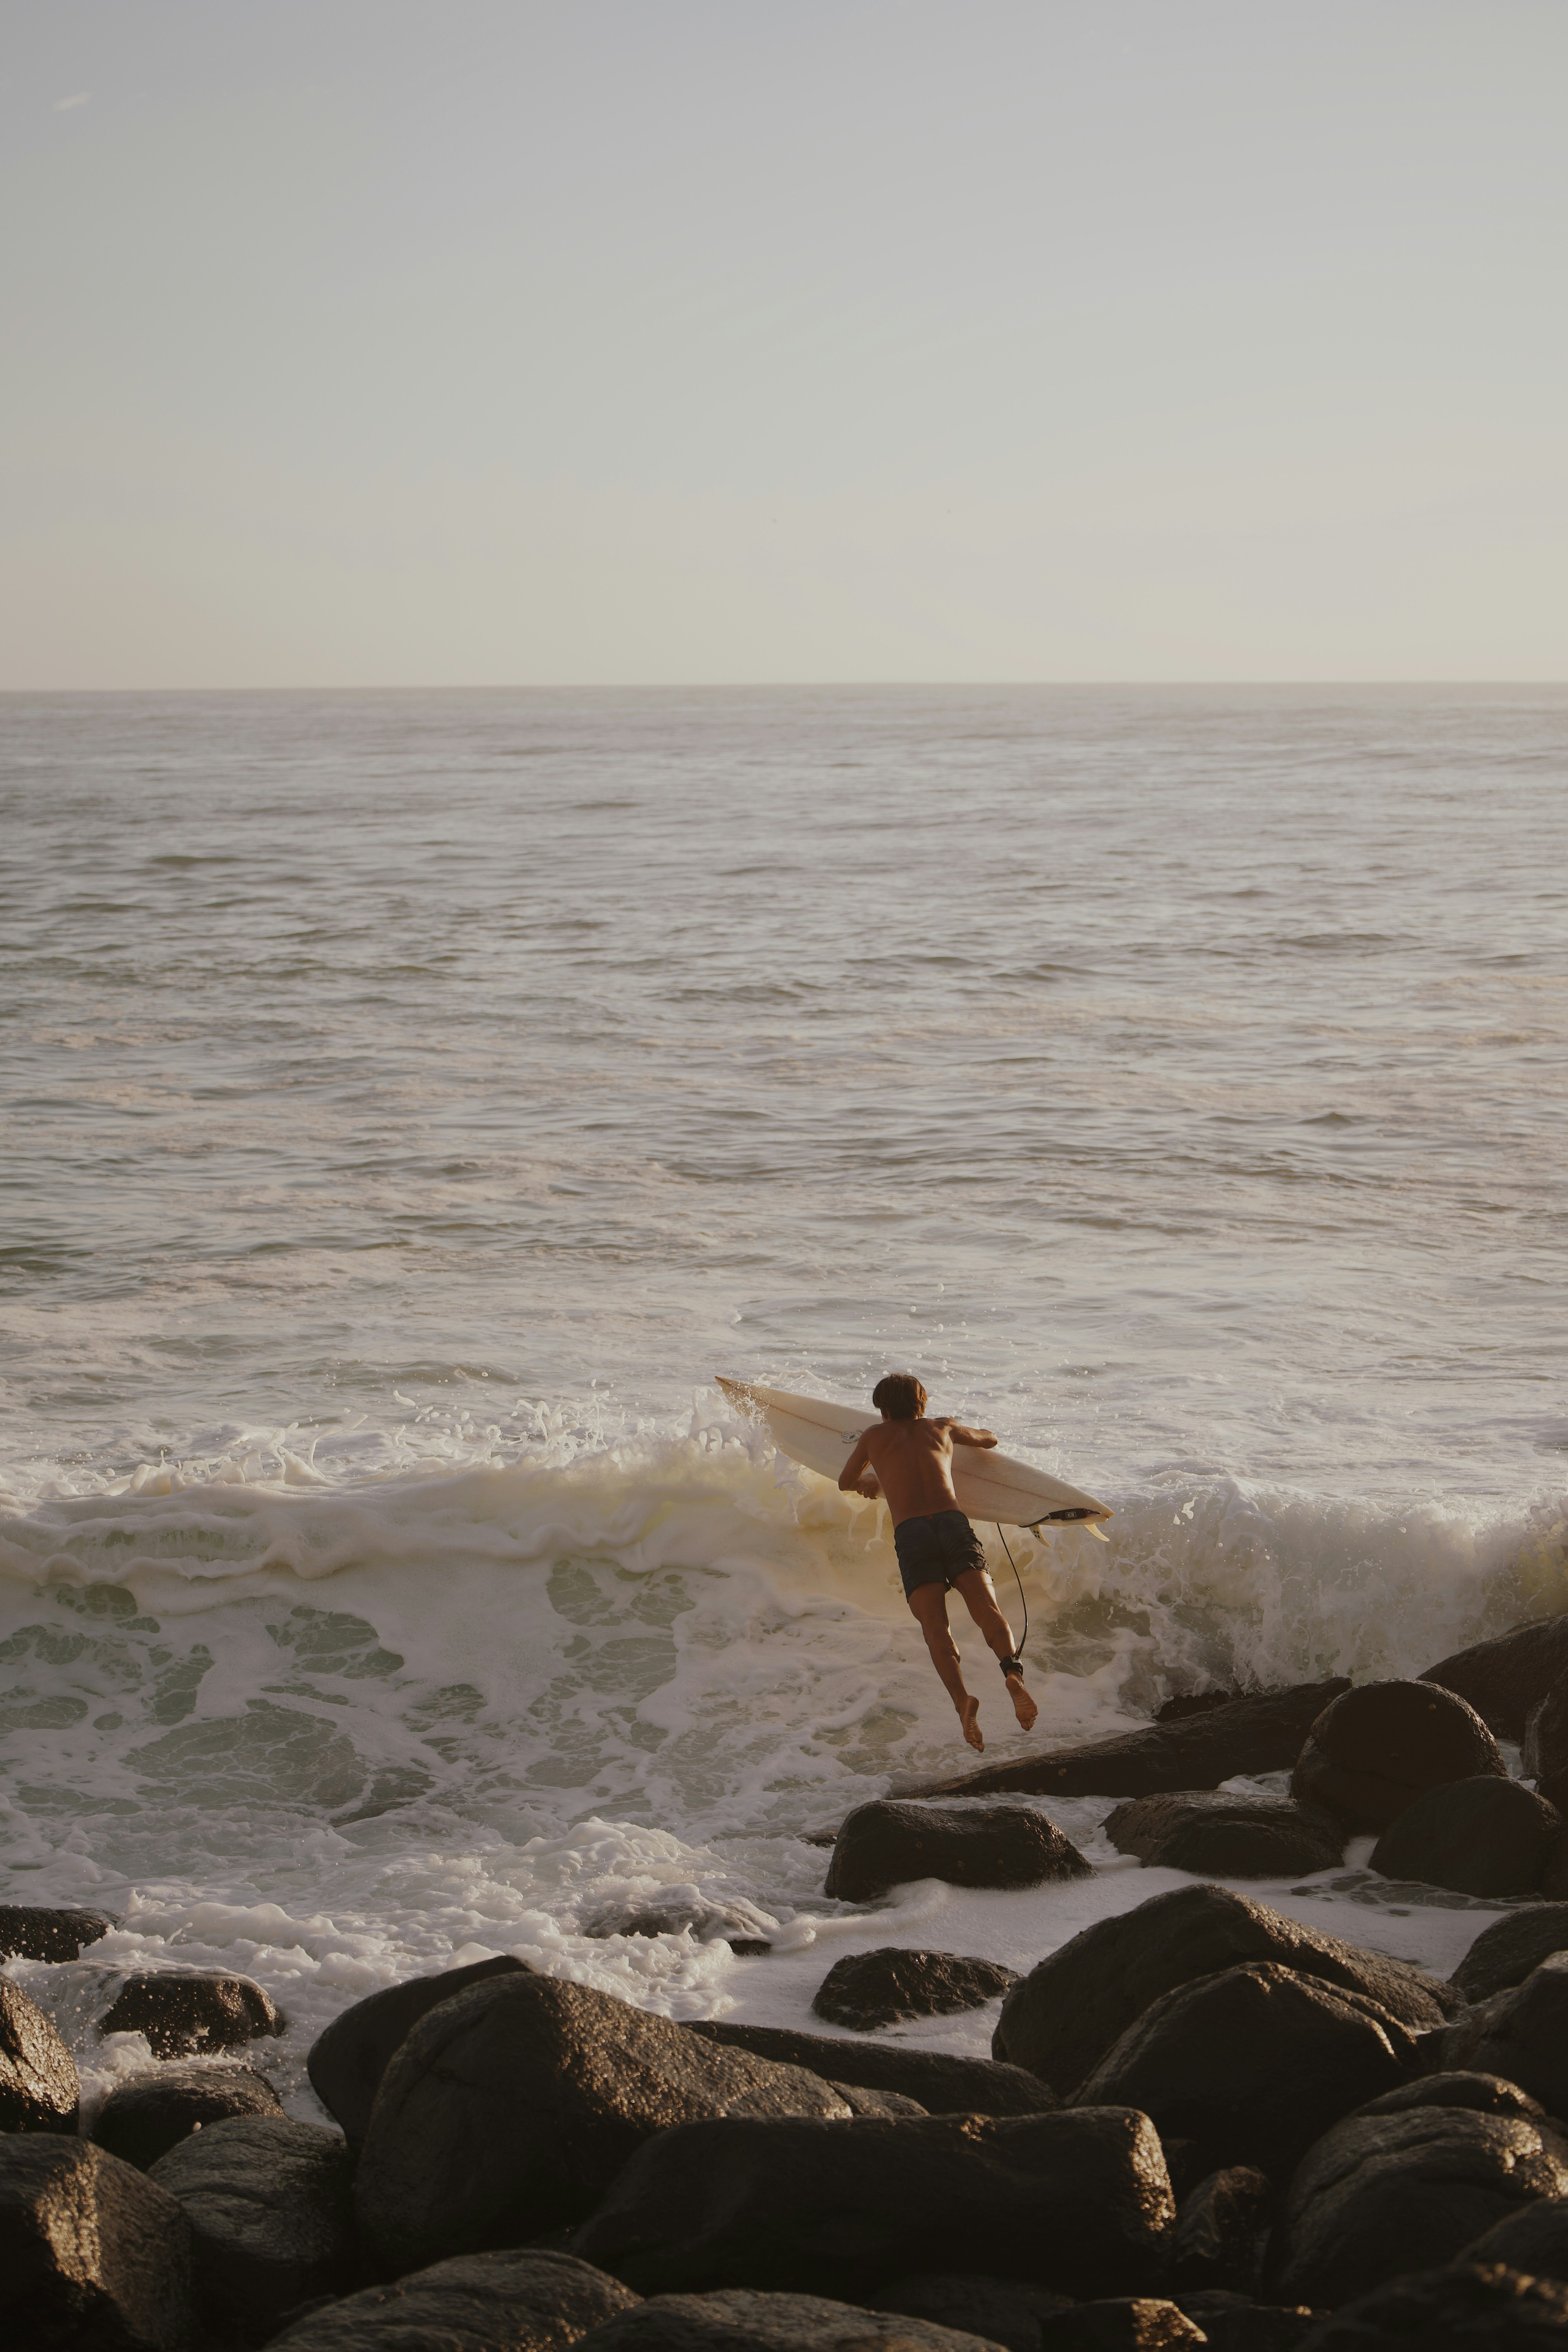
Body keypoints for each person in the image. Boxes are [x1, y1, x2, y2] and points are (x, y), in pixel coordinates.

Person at [838, 1372, 1038, 1753]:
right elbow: (989, 1439)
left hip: (912, 1532)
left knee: (935, 1625)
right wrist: (973, 1431)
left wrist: (873, 1480)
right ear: (922, 1404)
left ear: (882, 1409)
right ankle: (1011, 1671)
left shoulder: (873, 1437)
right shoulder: (941, 1427)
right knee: (986, 1608)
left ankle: (963, 1701)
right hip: (951, 1523)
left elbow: (845, 1482)